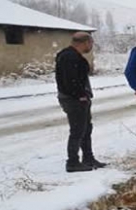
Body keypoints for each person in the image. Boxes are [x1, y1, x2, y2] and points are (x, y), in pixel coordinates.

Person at [55, 32, 107, 173]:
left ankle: (88, 158)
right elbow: (70, 80)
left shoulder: (71, 56)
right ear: (86, 42)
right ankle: (72, 162)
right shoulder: (69, 57)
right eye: (91, 43)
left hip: (77, 98)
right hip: (73, 100)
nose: (91, 46)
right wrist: (80, 95)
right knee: (78, 130)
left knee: (85, 129)